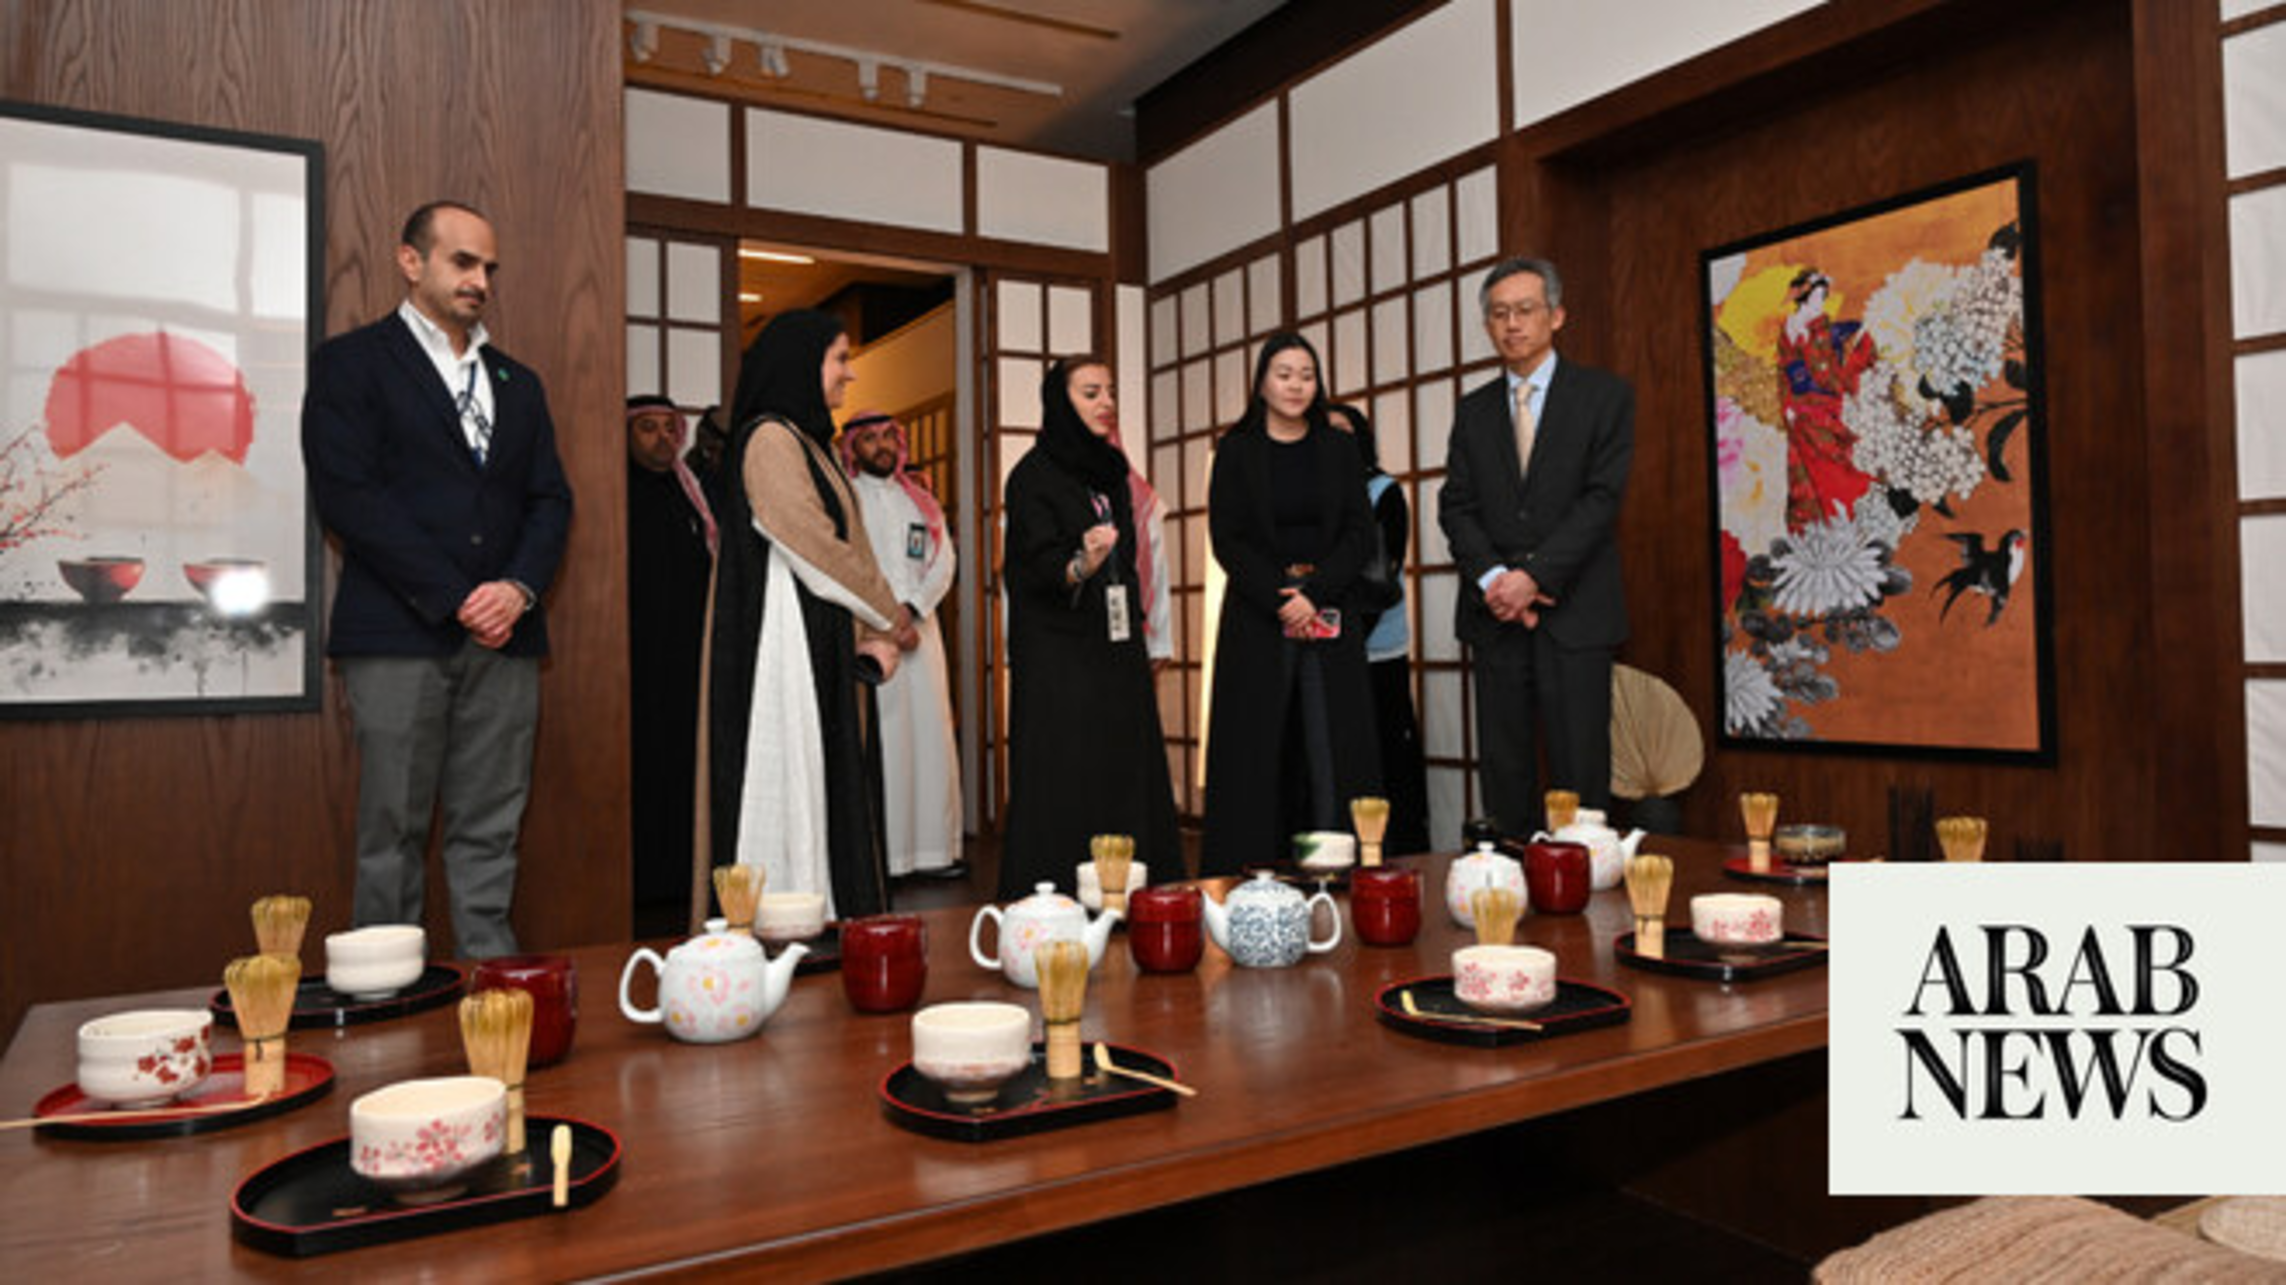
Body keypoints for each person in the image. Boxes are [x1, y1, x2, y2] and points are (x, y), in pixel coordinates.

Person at [302, 200, 572, 959]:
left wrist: (517, 589)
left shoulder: (519, 382)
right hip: (398, 632)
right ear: (410, 261)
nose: (479, 279)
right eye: (463, 261)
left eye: (489, 267)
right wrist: (457, 598)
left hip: (505, 639)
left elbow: (551, 500)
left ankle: (493, 981)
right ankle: (386, 986)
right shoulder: (352, 362)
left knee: (492, 824)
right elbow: (348, 496)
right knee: (392, 826)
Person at [698, 310, 904, 925]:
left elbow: (848, 544)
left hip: (820, 632)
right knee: (784, 775)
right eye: (840, 359)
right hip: (780, 641)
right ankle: (781, 924)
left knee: (819, 782)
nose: (848, 375)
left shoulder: (807, 442)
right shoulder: (770, 439)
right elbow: (809, 539)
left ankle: (827, 915)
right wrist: (887, 614)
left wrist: (871, 626)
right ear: (802, 363)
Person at [1439, 257, 1634, 833]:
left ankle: (1584, 882)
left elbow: (1602, 499)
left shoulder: (1604, 396)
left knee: (1581, 775)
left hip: (1577, 613)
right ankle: (1507, 879)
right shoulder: (1473, 410)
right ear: (1488, 325)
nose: (1512, 324)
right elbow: (1456, 507)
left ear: (1557, 315)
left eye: (1525, 310)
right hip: (1496, 616)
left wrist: (1534, 577)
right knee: (1505, 776)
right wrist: (1496, 581)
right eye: (1499, 314)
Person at [999, 357, 1181, 898]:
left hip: (1115, 640)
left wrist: (1144, 632)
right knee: (1066, 767)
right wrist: (1081, 562)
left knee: (1123, 761)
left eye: (1110, 392)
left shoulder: (1111, 471)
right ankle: (1058, 890)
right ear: (1061, 401)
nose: (1107, 403)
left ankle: (1130, 885)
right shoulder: (1031, 476)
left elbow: (1132, 561)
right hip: (1058, 650)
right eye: (1091, 392)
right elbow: (1031, 566)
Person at [1199, 333, 1380, 877]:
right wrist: (1282, 595)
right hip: (1259, 612)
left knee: (1331, 746)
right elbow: (1227, 538)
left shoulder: (1339, 448)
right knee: (1256, 745)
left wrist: (1314, 593)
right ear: (1261, 383)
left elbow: (1359, 533)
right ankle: (1248, 872)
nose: (1297, 385)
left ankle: (1336, 867)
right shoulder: (1236, 451)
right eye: (1284, 374)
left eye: (1307, 375)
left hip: (1329, 607)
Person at [838, 409, 963, 879]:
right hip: (870, 635)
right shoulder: (845, 499)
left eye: (888, 436)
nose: (881, 446)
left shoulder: (921, 502)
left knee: (931, 738)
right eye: (869, 438)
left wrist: (912, 609)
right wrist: (887, 619)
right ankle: (886, 859)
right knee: (885, 742)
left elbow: (943, 562)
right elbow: (844, 566)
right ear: (853, 447)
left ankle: (935, 854)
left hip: (921, 634)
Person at [625, 395, 714, 929]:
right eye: (647, 428)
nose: (661, 438)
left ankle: (684, 877)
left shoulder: (689, 490)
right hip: (636, 659)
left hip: (687, 655)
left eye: (668, 428)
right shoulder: (618, 493)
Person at [1327, 401, 1430, 855]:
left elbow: (1380, 578)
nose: (1336, 441)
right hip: (1326, 647)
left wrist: (1347, 639)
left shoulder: (1382, 491)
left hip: (1375, 647)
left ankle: (1401, 854)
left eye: (1345, 432)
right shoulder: (1313, 493)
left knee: (1388, 754)